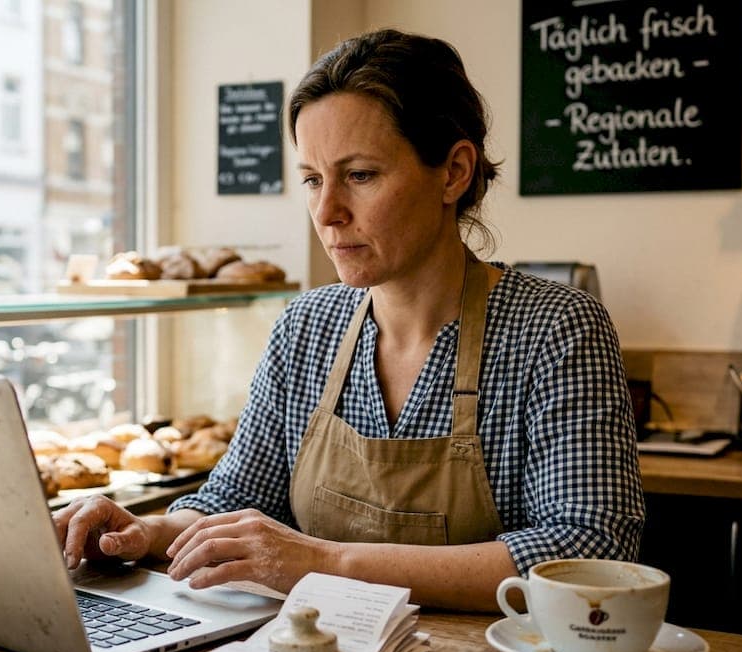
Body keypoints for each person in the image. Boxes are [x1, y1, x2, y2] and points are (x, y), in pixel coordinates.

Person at [54, 28, 644, 611]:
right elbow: (234, 498)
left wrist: (328, 563)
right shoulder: (307, 327)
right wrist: (145, 532)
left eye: (360, 175)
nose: (327, 212)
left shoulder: (556, 328)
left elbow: (588, 549)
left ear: (454, 172)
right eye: (313, 180)